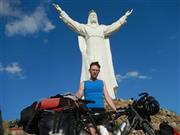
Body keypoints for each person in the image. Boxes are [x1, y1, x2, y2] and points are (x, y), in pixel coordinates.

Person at [53, 3, 133, 99]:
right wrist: (61, 12)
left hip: (102, 53)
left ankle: (107, 94)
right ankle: (89, 94)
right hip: (90, 53)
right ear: (89, 18)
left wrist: (124, 17)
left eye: (95, 15)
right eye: (92, 16)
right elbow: (72, 23)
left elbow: (114, 26)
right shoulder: (85, 28)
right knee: (91, 70)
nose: (93, 17)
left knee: (103, 70)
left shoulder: (102, 28)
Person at [76, 62, 116, 135]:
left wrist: (115, 109)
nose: (95, 72)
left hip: (101, 112)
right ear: (89, 70)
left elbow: (107, 96)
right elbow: (79, 95)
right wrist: (73, 100)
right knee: (92, 133)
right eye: (93, 70)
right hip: (89, 112)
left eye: (97, 70)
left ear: (99, 71)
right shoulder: (84, 83)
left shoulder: (102, 82)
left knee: (105, 133)